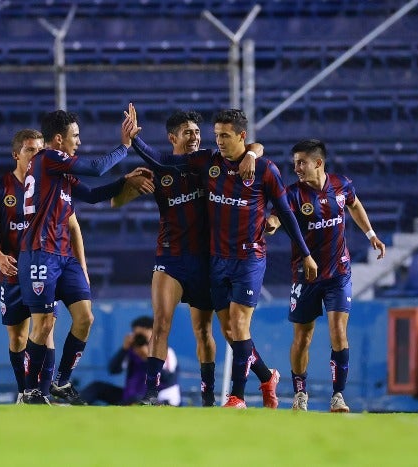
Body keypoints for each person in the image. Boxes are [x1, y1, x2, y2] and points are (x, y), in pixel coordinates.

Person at [127, 105, 318, 409]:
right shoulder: (207, 162)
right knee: (229, 331)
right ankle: (267, 377)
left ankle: (236, 397)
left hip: (249, 258)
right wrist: (134, 142)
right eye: (216, 135)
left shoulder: (265, 169)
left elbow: (286, 213)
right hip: (214, 260)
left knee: (237, 326)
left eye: (225, 136)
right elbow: (163, 159)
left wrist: (306, 254)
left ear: (242, 136)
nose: (219, 141)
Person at [112, 109, 272, 407]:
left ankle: (210, 397)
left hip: (206, 260)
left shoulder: (210, 163)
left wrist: (254, 153)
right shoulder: (158, 168)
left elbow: (248, 146)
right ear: (173, 137)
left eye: (198, 132)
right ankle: (150, 393)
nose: (196, 137)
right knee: (161, 323)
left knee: (211, 331)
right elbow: (115, 201)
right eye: (188, 132)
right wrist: (128, 183)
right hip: (170, 257)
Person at [17, 110, 152, 404]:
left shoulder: (59, 173)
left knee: (84, 317)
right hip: (40, 252)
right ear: (58, 139)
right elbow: (96, 168)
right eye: (75, 136)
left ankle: (61, 382)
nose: (78, 141)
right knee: (43, 324)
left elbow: (92, 194)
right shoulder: (47, 158)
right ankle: (29, 390)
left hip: (63, 255)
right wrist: (125, 146)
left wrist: (125, 181)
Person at [265, 139, 386, 412]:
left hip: (338, 273)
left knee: (339, 332)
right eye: (295, 162)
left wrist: (371, 235)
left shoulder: (342, 185)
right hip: (305, 275)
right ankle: (300, 394)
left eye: (301, 162)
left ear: (318, 163)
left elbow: (354, 204)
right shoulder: (293, 194)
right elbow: (276, 216)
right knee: (303, 337)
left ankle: (338, 396)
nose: (296, 168)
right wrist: (270, 224)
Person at [0, 129, 60, 403]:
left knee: (46, 328)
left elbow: (69, 225)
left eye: (40, 149)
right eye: (30, 150)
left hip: (43, 267)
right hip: (12, 271)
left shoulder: (49, 185)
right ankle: (24, 390)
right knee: (17, 338)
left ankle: (43, 393)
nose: (36, 155)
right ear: (16, 154)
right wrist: (0, 257)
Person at [79, 315, 180, 406]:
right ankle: (73, 406)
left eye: (143, 335)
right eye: (137, 335)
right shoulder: (133, 351)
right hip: (132, 394)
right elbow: (113, 370)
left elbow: (168, 379)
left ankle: (119, 408)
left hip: (159, 397)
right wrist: (124, 349)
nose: (141, 339)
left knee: (136, 400)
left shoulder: (164, 351)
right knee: (97, 387)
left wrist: (147, 359)